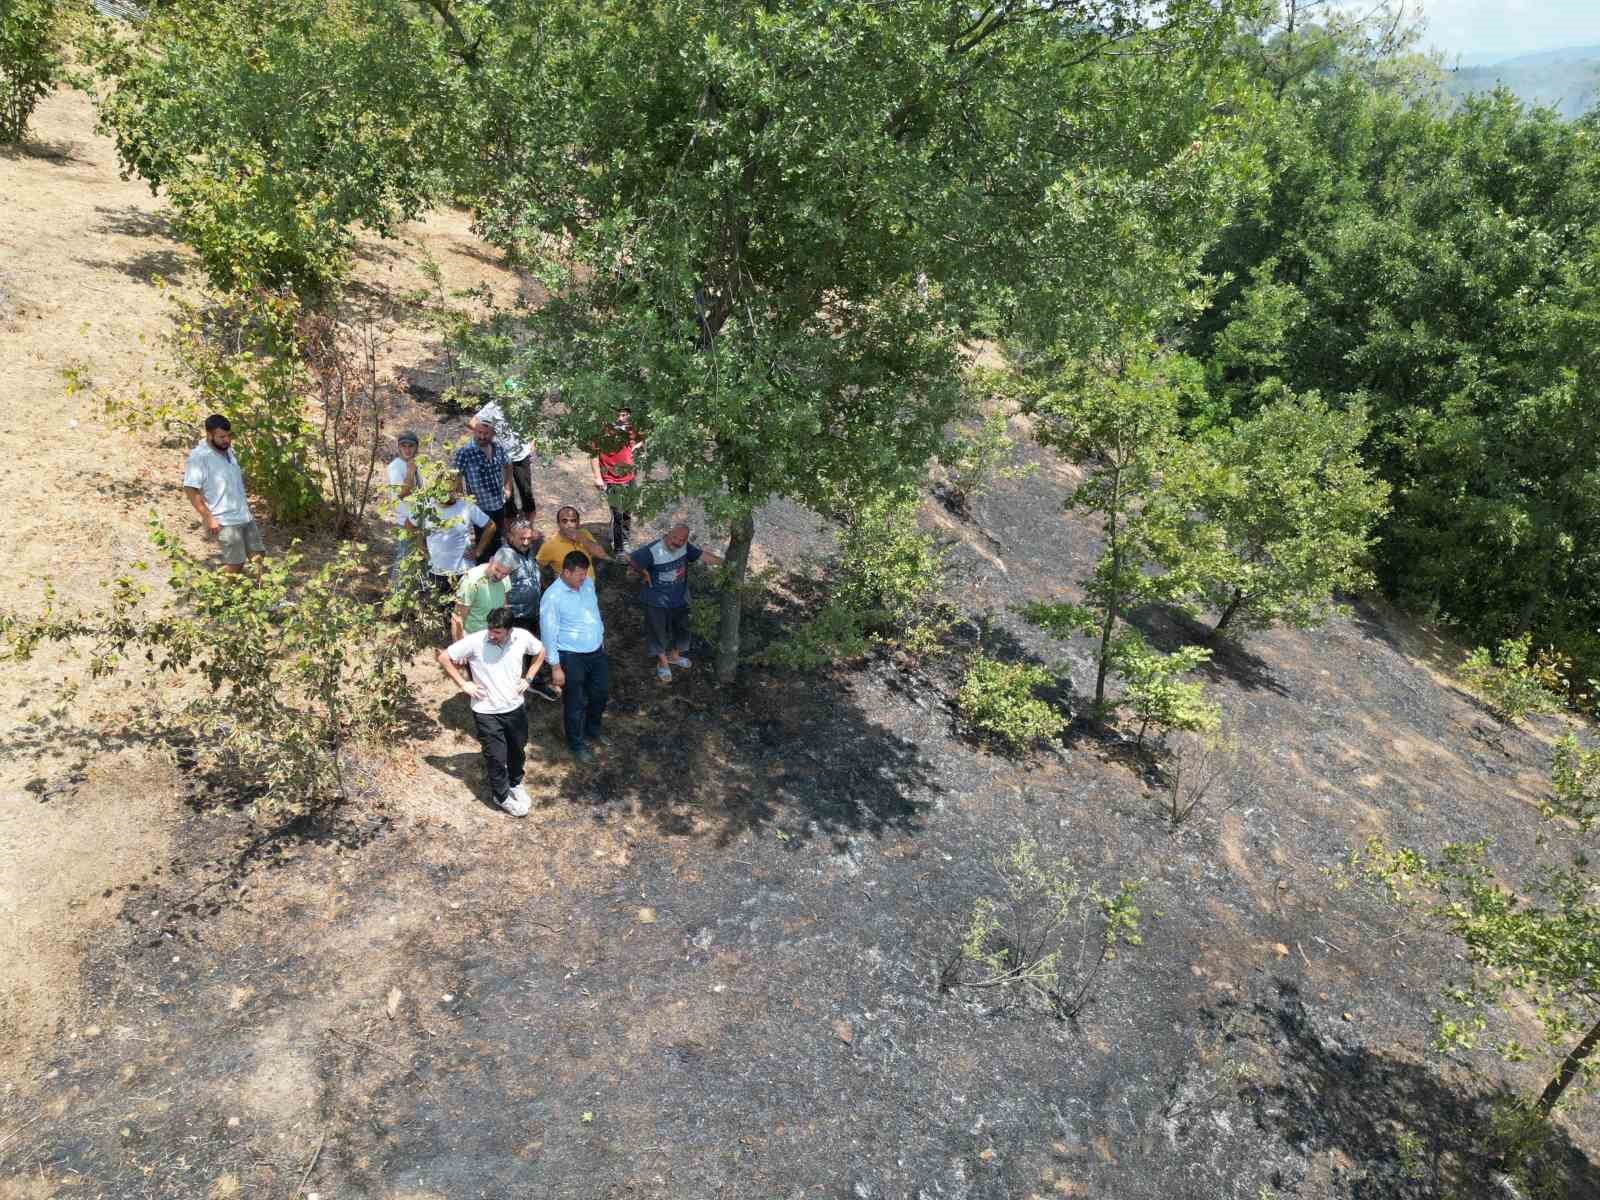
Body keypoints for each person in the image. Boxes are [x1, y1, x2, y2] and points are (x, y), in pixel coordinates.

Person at [437, 606, 545, 817]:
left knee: (518, 749)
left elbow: (540, 651)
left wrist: (528, 678)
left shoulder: (522, 637)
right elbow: (444, 658)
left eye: (497, 632)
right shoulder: (476, 640)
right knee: (496, 757)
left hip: (514, 707)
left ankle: (515, 784)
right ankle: (502, 796)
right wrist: (463, 684)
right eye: (490, 630)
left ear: (510, 631)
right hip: (486, 711)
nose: (492, 635)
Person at [628, 524, 724, 681]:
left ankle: (674, 656)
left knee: (683, 630)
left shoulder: (685, 547)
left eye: (682, 539)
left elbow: (703, 556)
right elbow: (632, 561)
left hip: (680, 598)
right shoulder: (652, 550)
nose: (678, 542)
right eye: (675, 538)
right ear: (667, 534)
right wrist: (643, 573)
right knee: (657, 633)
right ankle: (663, 664)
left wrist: (725, 563)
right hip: (656, 601)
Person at [539, 551, 609, 763]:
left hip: (596, 652)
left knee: (600, 694)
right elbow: (548, 632)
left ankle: (593, 732)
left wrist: (601, 638)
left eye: (585, 573)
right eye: (579, 574)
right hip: (571, 656)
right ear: (566, 572)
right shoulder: (552, 596)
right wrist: (555, 666)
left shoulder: (587, 585)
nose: (583, 577)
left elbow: (594, 613)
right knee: (575, 703)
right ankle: (576, 744)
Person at [182, 414, 264, 573]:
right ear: (209, 435)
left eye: (229, 436)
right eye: (222, 437)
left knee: (258, 557)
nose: (227, 440)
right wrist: (208, 517)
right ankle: (220, 593)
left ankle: (261, 593)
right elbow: (190, 489)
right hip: (224, 519)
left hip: (244, 515)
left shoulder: (227, 450)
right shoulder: (199, 457)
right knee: (236, 564)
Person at [494, 522, 559, 702]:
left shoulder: (528, 551)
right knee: (512, 653)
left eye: (528, 538)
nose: (525, 542)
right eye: (521, 538)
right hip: (515, 615)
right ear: (510, 537)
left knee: (532, 647)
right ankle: (506, 690)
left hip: (532, 611)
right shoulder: (505, 556)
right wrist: (504, 613)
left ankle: (532, 682)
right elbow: (497, 584)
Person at [425, 477, 496, 635]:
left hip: (463, 571)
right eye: (447, 490)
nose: (451, 494)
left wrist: (478, 550)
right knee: (443, 612)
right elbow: (411, 526)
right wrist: (421, 550)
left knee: (465, 612)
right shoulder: (427, 506)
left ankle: (466, 643)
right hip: (437, 570)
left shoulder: (466, 506)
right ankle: (451, 643)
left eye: (454, 489)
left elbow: (490, 525)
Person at [453, 418, 512, 553]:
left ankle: (496, 567)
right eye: (479, 432)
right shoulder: (465, 452)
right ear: (474, 431)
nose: (482, 436)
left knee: (497, 539)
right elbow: (456, 476)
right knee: (483, 542)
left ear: (493, 434)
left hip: (499, 503)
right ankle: (482, 568)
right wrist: (463, 500)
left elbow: (508, 465)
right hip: (479, 507)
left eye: (486, 433)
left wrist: (508, 487)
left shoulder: (498, 448)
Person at [474, 398, 537, 521]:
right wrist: (488, 437)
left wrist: (532, 442)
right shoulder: (493, 406)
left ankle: (530, 523)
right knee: (507, 493)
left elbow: (532, 423)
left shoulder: (524, 403)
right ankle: (512, 521)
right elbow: (473, 422)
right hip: (502, 457)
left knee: (526, 490)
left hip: (521, 455)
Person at [590, 406, 642, 553]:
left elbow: (642, 439)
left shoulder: (631, 429)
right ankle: (618, 549)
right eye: (619, 415)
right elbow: (593, 454)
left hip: (630, 477)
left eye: (625, 415)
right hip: (612, 478)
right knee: (618, 514)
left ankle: (625, 540)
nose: (621, 418)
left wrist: (636, 448)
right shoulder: (603, 430)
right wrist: (597, 477)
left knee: (627, 512)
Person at [535, 505, 610, 582]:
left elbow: (601, 555)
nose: (569, 524)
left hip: (589, 589)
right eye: (564, 521)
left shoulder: (585, 534)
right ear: (558, 524)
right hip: (568, 591)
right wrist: (544, 586)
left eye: (573, 521)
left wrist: (582, 539)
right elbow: (536, 568)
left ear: (578, 523)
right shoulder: (550, 545)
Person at [386, 430, 422, 584]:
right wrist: (410, 471)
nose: (407, 449)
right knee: (403, 558)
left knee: (417, 558)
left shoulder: (416, 464)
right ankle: (395, 595)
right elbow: (402, 493)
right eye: (404, 446)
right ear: (398, 447)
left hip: (419, 519)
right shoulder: (396, 467)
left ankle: (412, 593)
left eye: (411, 446)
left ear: (416, 447)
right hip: (405, 521)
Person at [451, 554, 513, 642]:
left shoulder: (505, 578)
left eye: (504, 574)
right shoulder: (471, 581)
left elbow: (504, 606)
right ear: (491, 561)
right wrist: (458, 648)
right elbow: (457, 618)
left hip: (493, 637)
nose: (499, 576)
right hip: (471, 636)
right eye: (497, 570)